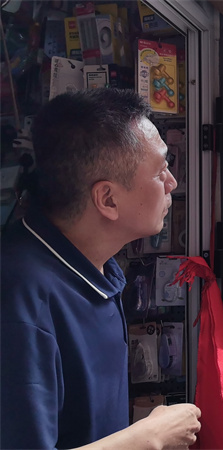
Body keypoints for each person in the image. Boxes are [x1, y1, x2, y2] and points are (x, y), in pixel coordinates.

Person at [1, 89, 201, 449]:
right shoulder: (20, 298)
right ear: (108, 199)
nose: (172, 182)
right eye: (160, 170)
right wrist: (151, 436)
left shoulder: (98, 270)